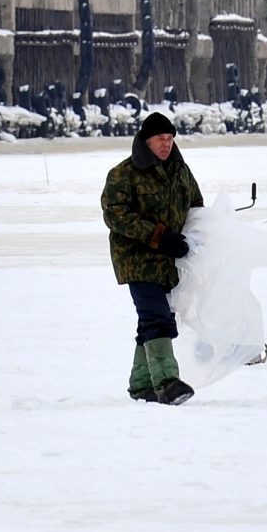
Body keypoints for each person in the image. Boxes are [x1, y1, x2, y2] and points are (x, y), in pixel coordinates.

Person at [101, 111, 204, 404]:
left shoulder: (180, 171)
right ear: (146, 141)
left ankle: (141, 385)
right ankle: (168, 383)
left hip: (169, 261)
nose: (166, 144)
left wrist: (195, 238)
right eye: (161, 138)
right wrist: (159, 236)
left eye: (170, 138)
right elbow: (115, 214)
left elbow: (196, 206)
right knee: (156, 317)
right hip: (136, 259)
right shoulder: (124, 173)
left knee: (152, 320)